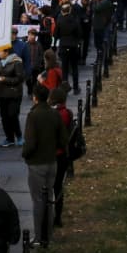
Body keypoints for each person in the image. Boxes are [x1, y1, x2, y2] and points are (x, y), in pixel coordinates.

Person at [22, 85, 68, 248]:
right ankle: (47, 234)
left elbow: (30, 142)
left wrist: (25, 154)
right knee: (49, 198)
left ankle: (39, 237)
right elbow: (63, 139)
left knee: (38, 201)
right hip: (52, 161)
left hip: (37, 163)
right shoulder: (54, 113)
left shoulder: (33, 116)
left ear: (35, 97)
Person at [48, 86, 74, 228]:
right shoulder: (67, 113)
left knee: (48, 187)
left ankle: (50, 216)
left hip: (53, 154)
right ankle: (58, 216)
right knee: (58, 187)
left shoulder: (54, 114)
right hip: (62, 155)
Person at [0, 47, 25, 148]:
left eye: (0, 51)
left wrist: (5, 79)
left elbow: (19, 78)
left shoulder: (17, 62)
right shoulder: (2, 62)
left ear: (6, 52)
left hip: (14, 94)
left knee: (13, 115)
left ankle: (19, 136)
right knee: (4, 117)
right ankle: (9, 138)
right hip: (2, 94)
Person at [55, 2, 82, 94]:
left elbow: (56, 34)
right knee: (74, 67)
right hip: (73, 45)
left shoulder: (59, 21)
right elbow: (79, 33)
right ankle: (75, 88)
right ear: (69, 10)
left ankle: (65, 88)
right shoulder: (74, 20)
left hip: (63, 45)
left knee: (64, 68)